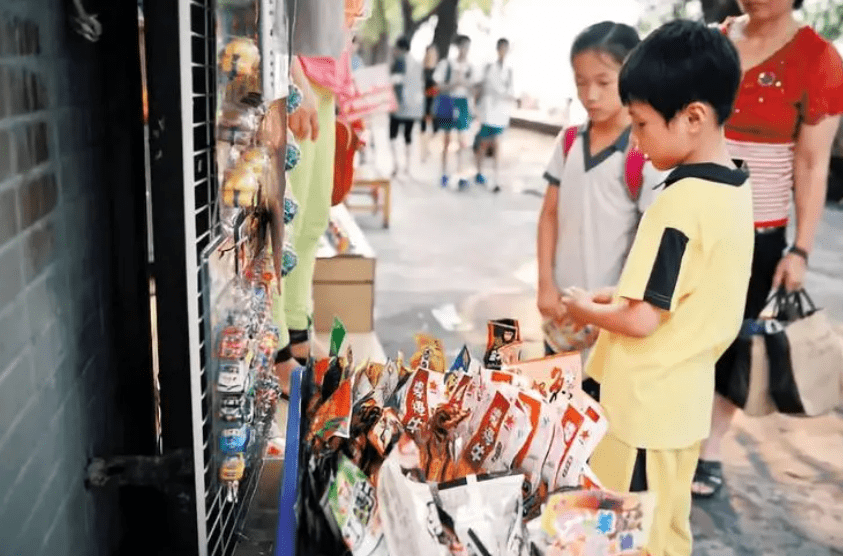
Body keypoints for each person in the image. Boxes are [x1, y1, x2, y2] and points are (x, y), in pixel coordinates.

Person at [561, 20, 752, 556]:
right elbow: (679, 296)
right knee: (667, 528)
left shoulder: (677, 204)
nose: (637, 143)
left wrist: (585, 309)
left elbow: (643, 319)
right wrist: (613, 297)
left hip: (640, 409)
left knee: (620, 532)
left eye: (641, 125)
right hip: (683, 402)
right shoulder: (735, 189)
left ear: (693, 117)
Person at [693, 0, 843, 498]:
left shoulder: (817, 59)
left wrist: (799, 250)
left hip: (757, 234)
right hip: (687, 220)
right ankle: (666, 434)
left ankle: (708, 450)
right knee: (676, 331)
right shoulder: (712, 40)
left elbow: (812, 162)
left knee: (735, 343)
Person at [536, 22, 665, 369]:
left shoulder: (641, 153)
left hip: (608, 315)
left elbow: (647, 239)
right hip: (560, 311)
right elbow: (549, 214)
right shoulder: (568, 142)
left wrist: (616, 304)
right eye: (580, 82)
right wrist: (546, 284)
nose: (589, 95)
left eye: (604, 82)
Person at [273, 3, 364, 392]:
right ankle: (275, 347)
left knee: (311, 221)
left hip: (326, 82)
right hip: (295, 76)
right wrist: (292, 76)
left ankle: (297, 325)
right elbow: (269, 11)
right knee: (281, 225)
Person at [474, 38, 516, 193]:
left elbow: (511, 91)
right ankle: (479, 172)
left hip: (501, 113)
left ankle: (495, 177)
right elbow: (480, 86)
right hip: (488, 111)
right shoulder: (488, 67)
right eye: (501, 48)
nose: (503, 51)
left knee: (497, 144)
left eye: (506, 49)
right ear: (497, 49)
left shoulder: (510, 70)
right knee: (484, 143)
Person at [434, 35, 474, 189]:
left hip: (463, 103)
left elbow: (475, 88)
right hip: (449, 101)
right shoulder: (447, 64)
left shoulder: (470, 67)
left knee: (462, 141)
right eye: (463, 46)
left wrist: (466, 85)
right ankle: (444, 173)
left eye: (467, 47)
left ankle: (460, 174)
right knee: (446, 140)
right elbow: (438, 86)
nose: (465, 50)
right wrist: (453, 83)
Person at [388, 37, 424, 176]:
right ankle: (407, 167)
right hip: (413, 107)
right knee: (408, 136)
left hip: (398, 105)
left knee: (393, 136)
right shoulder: (417, 63)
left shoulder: (399, 61)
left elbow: (395, 80)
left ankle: (396, 165)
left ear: (400, 49)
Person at [420, 44, 440, 161]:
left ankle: (430, 149)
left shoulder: (439, 69)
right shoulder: (422, 69)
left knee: (435, 129)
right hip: (424, 101)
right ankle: (424, 151)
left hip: (435, 101)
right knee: (423, 128)